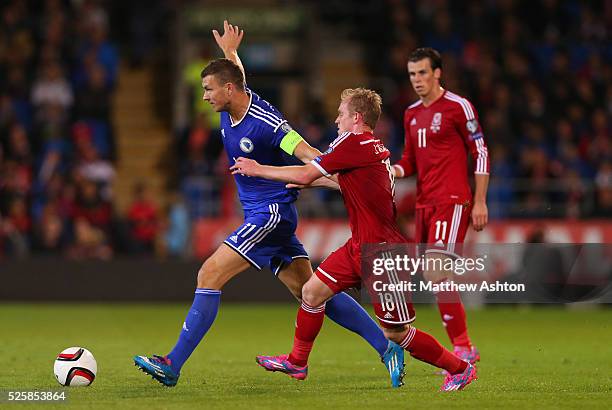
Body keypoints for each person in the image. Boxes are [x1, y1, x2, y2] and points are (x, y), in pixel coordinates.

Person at [134, 20, 404, 387]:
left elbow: (306, 151)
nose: (204, 97)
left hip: (271, 213)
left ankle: (172, 363)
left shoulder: (267, 123)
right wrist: (230, 52)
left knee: (209, 274)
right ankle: (385, 347)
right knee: (310, 289)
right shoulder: (234, 104)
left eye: (208, 89)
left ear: (228, 89)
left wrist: (344, 177)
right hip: (267, 214)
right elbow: (238, 78)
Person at [232, 88, 477, 391]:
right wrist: (297, 181)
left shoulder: (354, 142)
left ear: (356, 118)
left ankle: (460, 368)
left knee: (396, 333)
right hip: (359, 246)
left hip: (383, 252)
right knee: (311, 293)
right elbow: (334, 180)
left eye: (342, 113)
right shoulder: (367, 147)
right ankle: (297, 361)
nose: (336, 119)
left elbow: (309, 174)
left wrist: (259, 170)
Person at [392, 48, 489, 364]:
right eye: (412, 74)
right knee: (436, 277)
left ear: (437, 73)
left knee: (436, 274)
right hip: (425, 204)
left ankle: (462, 347)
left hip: (453, 200)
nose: (417, 80)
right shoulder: (410, 114)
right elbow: (409, 160)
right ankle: (463, 346)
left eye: (422, 73)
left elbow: (481, 152)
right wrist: (393, 170)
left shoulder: (459, 107)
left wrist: (480, 201)